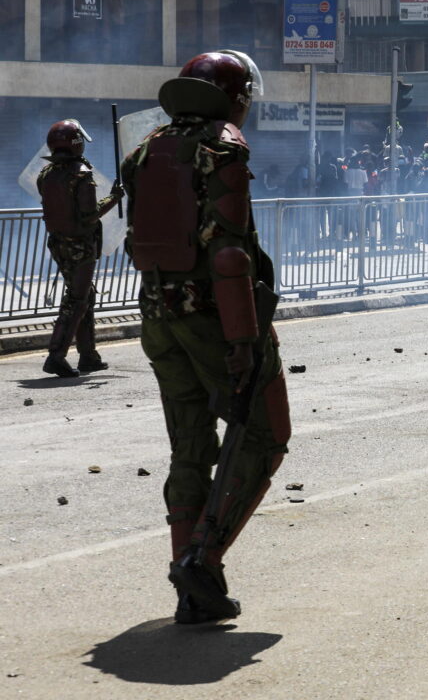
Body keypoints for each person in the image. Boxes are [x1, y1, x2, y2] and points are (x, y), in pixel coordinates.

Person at [121, 50, 291, 624]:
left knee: (189, 446)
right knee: (266, 434)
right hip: (213, 319)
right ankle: (203, 556)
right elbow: (229, 254)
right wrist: (244, 340)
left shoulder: (148, 146)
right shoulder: (222, 145)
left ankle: (193, 592)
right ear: (234, 95)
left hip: (157, 316)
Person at [36, 119, 124, 377]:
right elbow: (89, 215)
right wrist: (114, 198)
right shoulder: (81, 175)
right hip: (80, 247)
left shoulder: (46, 174)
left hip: (58, 244)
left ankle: (88, 356)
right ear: (76, 143)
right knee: (77, 299)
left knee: (86, 296)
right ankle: (56, 355)